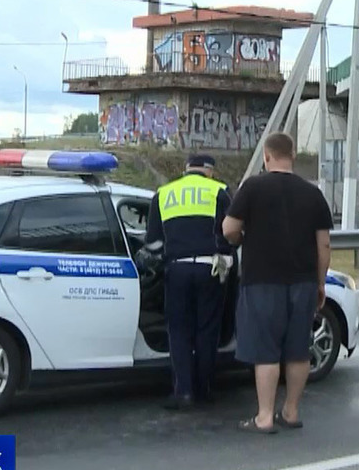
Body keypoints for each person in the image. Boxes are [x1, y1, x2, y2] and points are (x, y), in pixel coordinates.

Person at [223, 131, 333, 434]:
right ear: (293, 155)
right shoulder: (313, 194)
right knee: (299, 349)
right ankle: (292, 412)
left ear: (266, 157)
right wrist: (320, 283)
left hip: (262, 282)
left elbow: (229, 229)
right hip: (303, 283)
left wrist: (243, 238)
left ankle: (265, 417)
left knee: (266, 350)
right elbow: (324, 245)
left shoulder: (252, 187)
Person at [143, 153, 233, 410]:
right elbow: (231, 232)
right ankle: (204, 390)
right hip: (210, 269)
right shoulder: (220, 191)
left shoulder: (164, 193)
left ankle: (183, 392)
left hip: (177, 270)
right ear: (209, 171)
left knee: (179, 332)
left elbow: (153, 242)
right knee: (207, 330)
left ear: (185, 170)